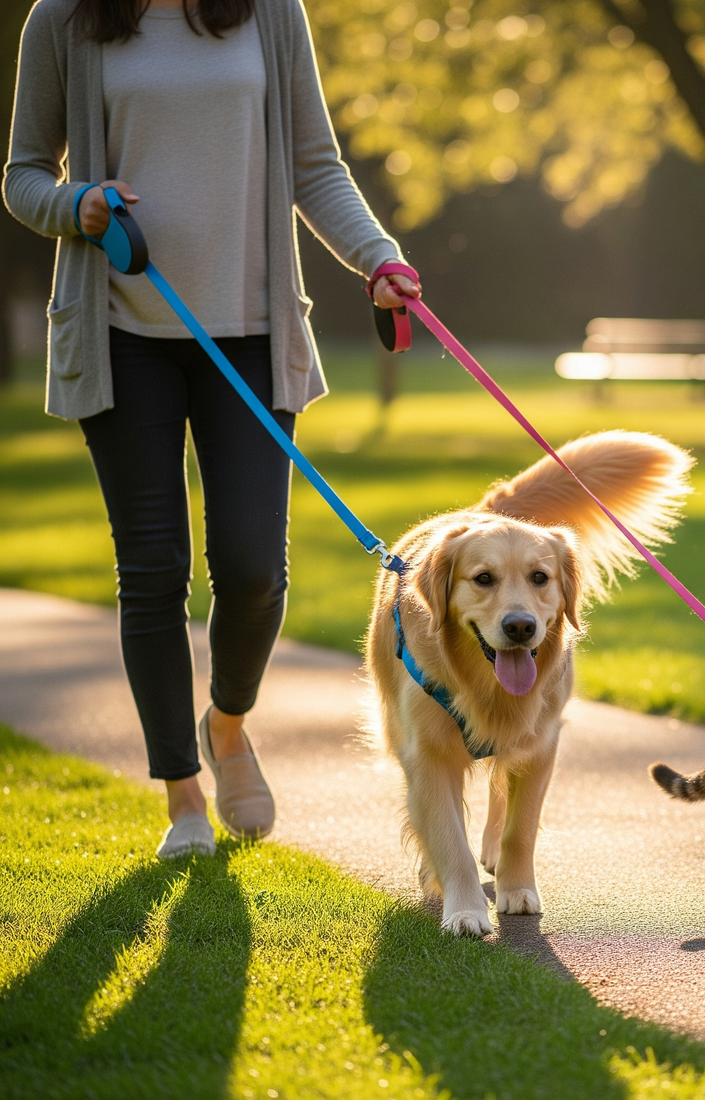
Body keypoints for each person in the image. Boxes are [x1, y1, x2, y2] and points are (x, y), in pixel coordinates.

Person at [3, 0, 420, 858]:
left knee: (252, 568)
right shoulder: (63, 19)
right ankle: (182, 794)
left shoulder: (269, 11)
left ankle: (227, 722)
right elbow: (22, 175)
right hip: (122, 335)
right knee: (152, 571)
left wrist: (377, 257)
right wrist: (77, 202)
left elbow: (315, 164)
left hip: (253, 335)